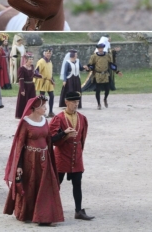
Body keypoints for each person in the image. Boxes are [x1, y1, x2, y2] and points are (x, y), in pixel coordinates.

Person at [4, 96, 65, 225]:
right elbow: (19, 145)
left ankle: (44, 216)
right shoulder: (25, 123)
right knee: (29, 185)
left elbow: (49, 140)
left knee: (45, 186)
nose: (46, 108)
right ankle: (27, 213)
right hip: (29, 159)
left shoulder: (44, 121)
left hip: (44, 159)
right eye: (43, 106)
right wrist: (19, 165)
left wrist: (63, 134)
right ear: (36, 108)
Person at [50, 91, 95, 221]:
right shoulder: (58, 118)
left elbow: (82, 138)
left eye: (77, 102)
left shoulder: (82, 118)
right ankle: (51, 208)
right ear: (66, 102)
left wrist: (80, 152)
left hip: (76, 156)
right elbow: (52, 139)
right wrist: (64, 135)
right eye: (73, 102)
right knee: (56, 183)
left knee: (77, 183)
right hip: (62, 156)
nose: (76, 105)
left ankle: (78, 211)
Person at [86, 43, 122, 109]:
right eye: (99, 48)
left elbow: (111, 64)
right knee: (98, 90)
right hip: (98, 75)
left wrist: (117, 71)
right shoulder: (94, 56)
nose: (100, 49)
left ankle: (105, 99)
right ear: (98, 49)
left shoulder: (107, 55)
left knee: (107, 89)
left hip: (105, 74)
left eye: (101, 48)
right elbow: (91, 65)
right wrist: (89, 68)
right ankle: (99, 104)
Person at [35, 48, 56, 116]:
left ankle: (50, 112)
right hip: (43, 81)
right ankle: (42, 112)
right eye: (47, 53)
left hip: (49, 81)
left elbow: (50, 72)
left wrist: (53, 80)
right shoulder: (41, 61)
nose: (48, 54)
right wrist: (38, 74)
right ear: (44, 54)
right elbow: (36, 70)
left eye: (49, 53)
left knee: (52, 96)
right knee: (42, 97)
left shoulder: (50, 62)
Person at [16, 53, 36, 119]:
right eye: (30, 59)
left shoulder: (32, 67)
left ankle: (31, 113)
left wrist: (42, 76)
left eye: (32, 59)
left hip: (31, 86)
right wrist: (22, 89)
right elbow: (21, 79)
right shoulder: (22, 68)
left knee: (32, 100)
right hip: (25, 86)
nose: (31, 60)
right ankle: (23, 114)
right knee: (24, 101)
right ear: (26, 60)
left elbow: (33, 74)